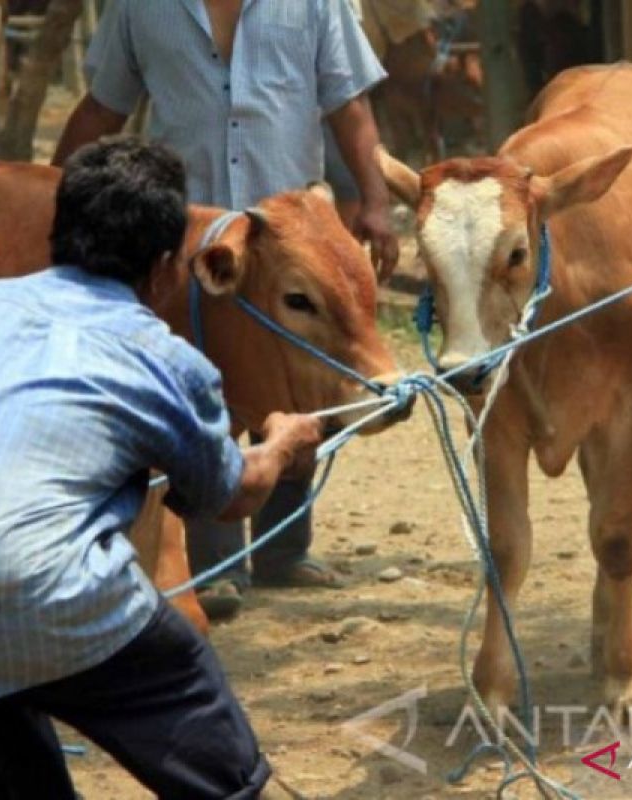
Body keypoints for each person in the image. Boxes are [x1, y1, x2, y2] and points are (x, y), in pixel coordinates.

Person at [0, 137, 321, 799]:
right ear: (163, 268)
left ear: (58, 231)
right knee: (219, 760)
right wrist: (281, 443)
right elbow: (230, 495)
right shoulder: (161, 354)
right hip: (52, 593)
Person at [54, 0, 399, 620]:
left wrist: (375, 201)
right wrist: (46, 194)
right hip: (187, 238)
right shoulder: (139, 8)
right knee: (194, 387)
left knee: (297, 386)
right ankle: (214, 564)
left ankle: (284, 551)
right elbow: (104, 105)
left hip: (289, 233)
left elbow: (348, 105)